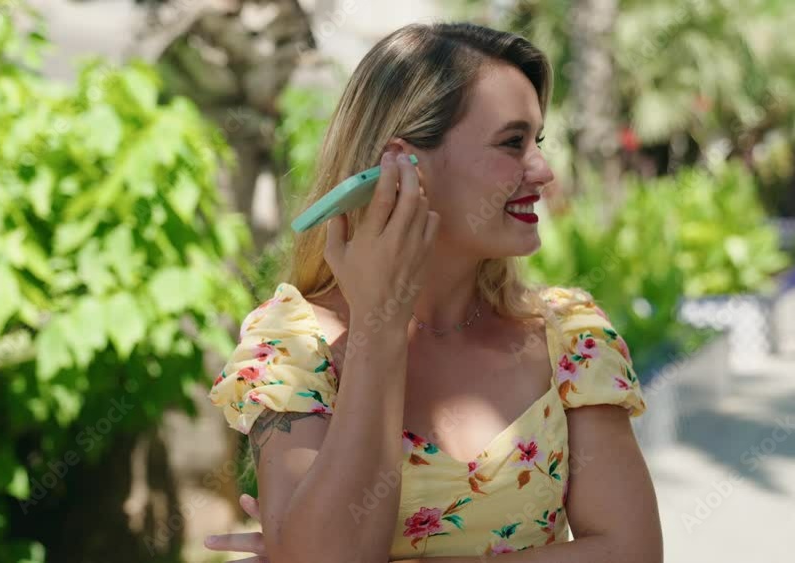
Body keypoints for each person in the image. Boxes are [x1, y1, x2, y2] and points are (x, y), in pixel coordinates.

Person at [204, 21, 662, 563]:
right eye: (512, 143)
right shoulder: (292, 344)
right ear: (403, 165)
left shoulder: (571, 336)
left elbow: (632, 553)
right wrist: (379, 323)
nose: (543, 171)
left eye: (536, 142)